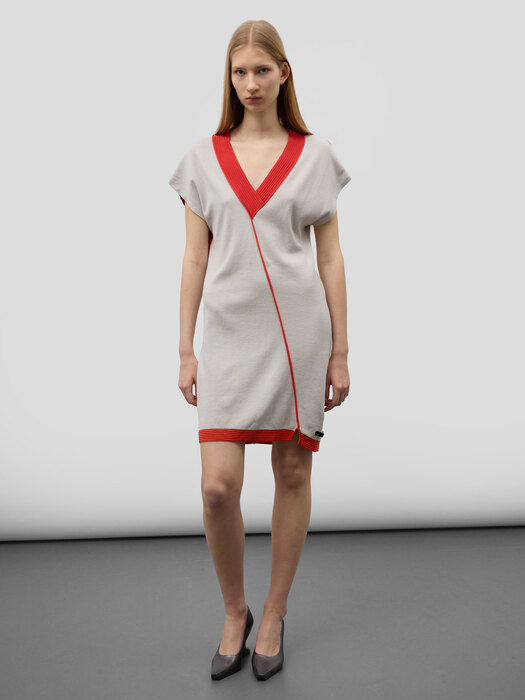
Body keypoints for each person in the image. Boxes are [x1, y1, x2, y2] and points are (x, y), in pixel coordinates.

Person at [168, 19, 351, 681]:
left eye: (261, 70)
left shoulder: (314, 155)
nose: (250, 83)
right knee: (217, 487)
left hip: (298, 334)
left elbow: (329, 259)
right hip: (226, 337)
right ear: (230, 77)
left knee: (292, 473)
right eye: (239, 71)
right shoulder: (202, 157)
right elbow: (194, 258)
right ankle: (234, 610)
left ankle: (273, 613)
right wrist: (185, 349)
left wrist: (340, 352)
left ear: (283, 73)